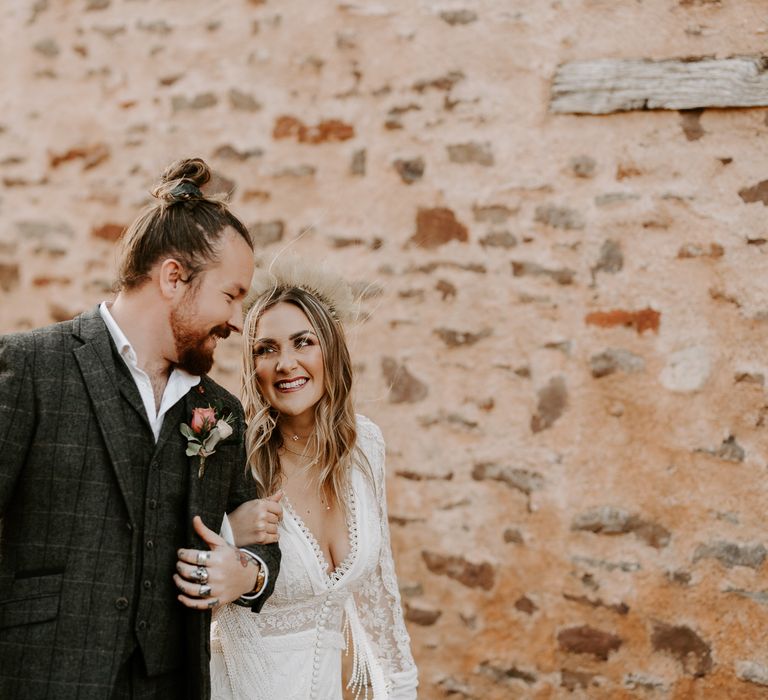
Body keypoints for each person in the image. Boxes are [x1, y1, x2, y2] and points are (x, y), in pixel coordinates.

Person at [0, 158, 280, 700]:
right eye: (231, 295)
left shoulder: (220, 411)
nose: (238, 321)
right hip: (40, 678)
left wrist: (244, 569)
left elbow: (260, 539)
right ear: (173, 277)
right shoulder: (30, 368)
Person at [210, 257, 418, 699]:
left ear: (330, 350)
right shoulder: (233, 458)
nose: (285, 363)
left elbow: (380, 597)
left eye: (302, 342)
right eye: (266, 349)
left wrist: (401, 690)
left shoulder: (366, 446)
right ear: (253, 368)